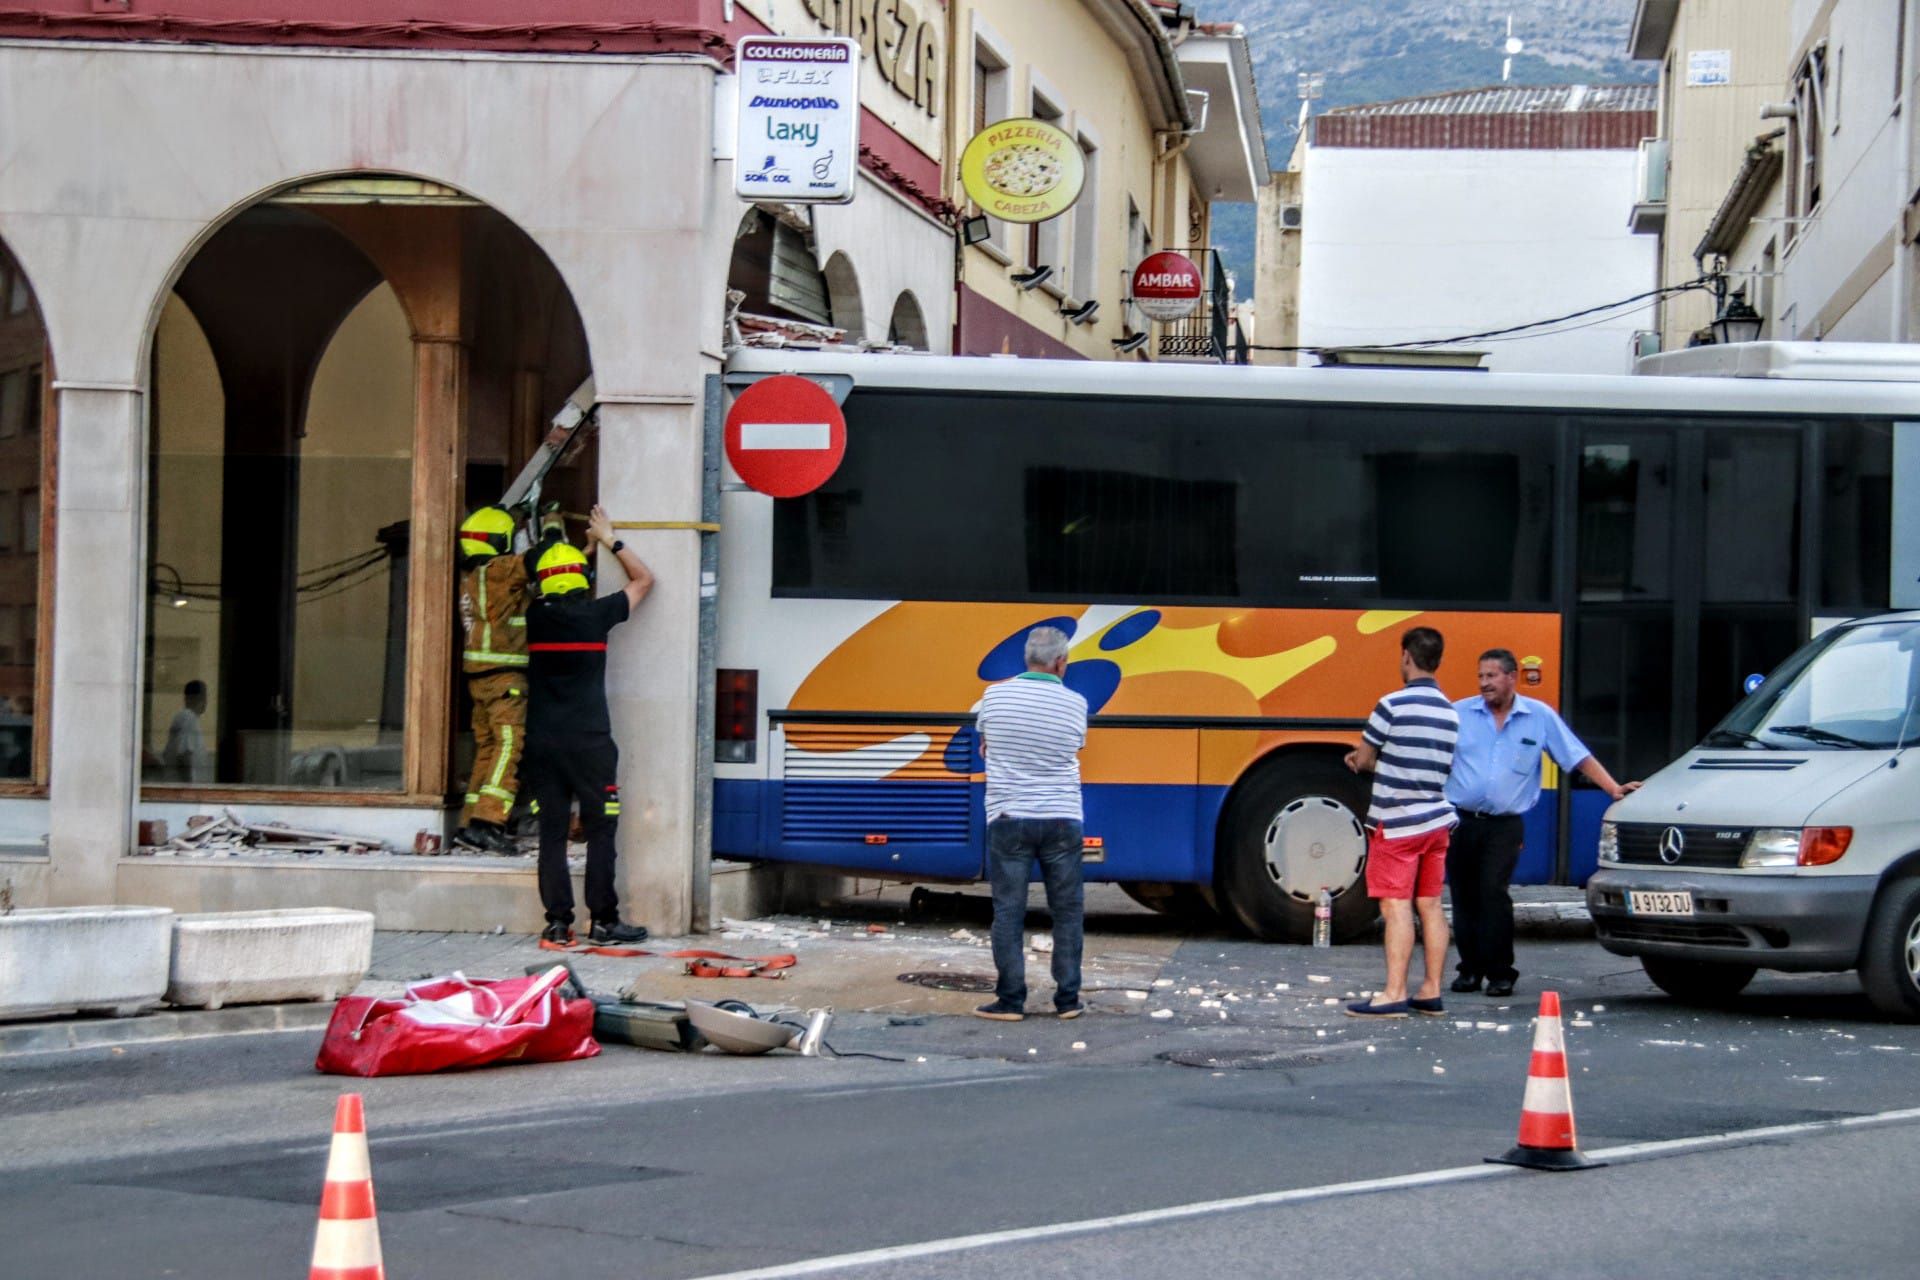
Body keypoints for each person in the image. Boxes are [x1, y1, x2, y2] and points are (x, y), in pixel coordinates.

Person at [1445, 648, 1641, 998]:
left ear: (1511, 677)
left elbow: (1577, 756)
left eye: (1491, 676)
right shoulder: (1459, 713)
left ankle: (1500, 971)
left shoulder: (1538, 716)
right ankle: (1469, 970)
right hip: (1461, 821)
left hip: (1504, 825)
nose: (1484, 684)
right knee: (1464, 898)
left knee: (1493, 893)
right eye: (1481, 677)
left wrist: (1613, 788)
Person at [523, 504, 655, 947]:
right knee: (600, 831)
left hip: (543, 744)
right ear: (582, 579)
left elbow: (539, 578)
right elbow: (644, 580)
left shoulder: (535, 619)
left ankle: (558, 924)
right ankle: (603, 920)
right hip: (590, 744)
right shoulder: (597, 615)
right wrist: (609, 539)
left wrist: (571, 553)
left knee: (552, 834)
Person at [971, 625, 1090, 1022]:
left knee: (1009, 911)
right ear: (1060, 662)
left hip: (1009, 817)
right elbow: (1073, 746)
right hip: (1061, 818)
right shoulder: (1075, 703)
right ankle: (1068, 1000)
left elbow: (986, 744)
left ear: (1027, 659)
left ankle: (1010, 1000)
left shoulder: (993, 696)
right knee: (1067, 911)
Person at [1343, 626, 1458, 1019]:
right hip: (1437, 821)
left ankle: (1393, 993)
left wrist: (1355, 760)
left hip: (1398, 822)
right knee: (1431, 905)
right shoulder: (1449, 712)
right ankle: (1430, 991)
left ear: (1407, 656)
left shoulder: (1390, 705)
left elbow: (1366, 758)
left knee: (1396, 908)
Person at [454, 505, 529, 855]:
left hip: (480, 678)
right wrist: (556, 529)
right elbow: (538, 560)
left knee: (487, 749)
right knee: (508, 748)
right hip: (504, 680)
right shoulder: (497, 571)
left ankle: (470, 822)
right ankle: (489, 823)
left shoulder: (471, 579)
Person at [162, 680, 211, 783]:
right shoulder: (188, 718)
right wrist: (189, 787)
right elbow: (185, 755)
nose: (206, 702)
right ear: (197, 698)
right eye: (204, 697)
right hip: (184, 789)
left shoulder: (185, 718)